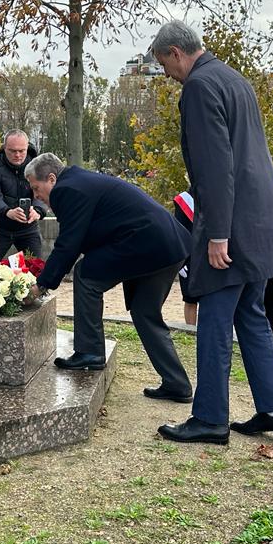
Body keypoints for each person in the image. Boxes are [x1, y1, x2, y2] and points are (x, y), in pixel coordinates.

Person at [150, 21, 273, 445]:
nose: (166, 74)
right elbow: (254, 156)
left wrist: (217, 234)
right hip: (261, 214)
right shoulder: (234, 78)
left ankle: (211, 417)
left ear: (177, 52)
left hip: (232, 222)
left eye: (164, 64)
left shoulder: (199, 86)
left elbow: (216, 165)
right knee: (252, 315)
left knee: (215, 319)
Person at [24, 154, 194, 403]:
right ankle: (177, 384)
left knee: (86, 274)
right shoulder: (80, 181)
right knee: (144, 312)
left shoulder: (66, 189)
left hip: (150, 243)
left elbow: (68, 244)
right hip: (168, 245)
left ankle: (90, 352)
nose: (36, 195)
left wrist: (41, 286)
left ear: (51, 178)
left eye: (36, 188)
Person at [0, 130, 47, 260]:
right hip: (1, 227)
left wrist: (38, 211)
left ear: (27, 147)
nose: (17, 155)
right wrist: (7, 211)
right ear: (4, 148)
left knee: (36, 268)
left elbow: (44, 191)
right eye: (12, 151)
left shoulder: (37, 166)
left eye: (22, 151)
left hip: (28, 228)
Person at [173, 191, 199, 326]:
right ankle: (191, 332)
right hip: (189, 257)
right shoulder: (184, 199)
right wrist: (181, 260)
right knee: (190, 299)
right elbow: (179, 230)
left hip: (211, 255)